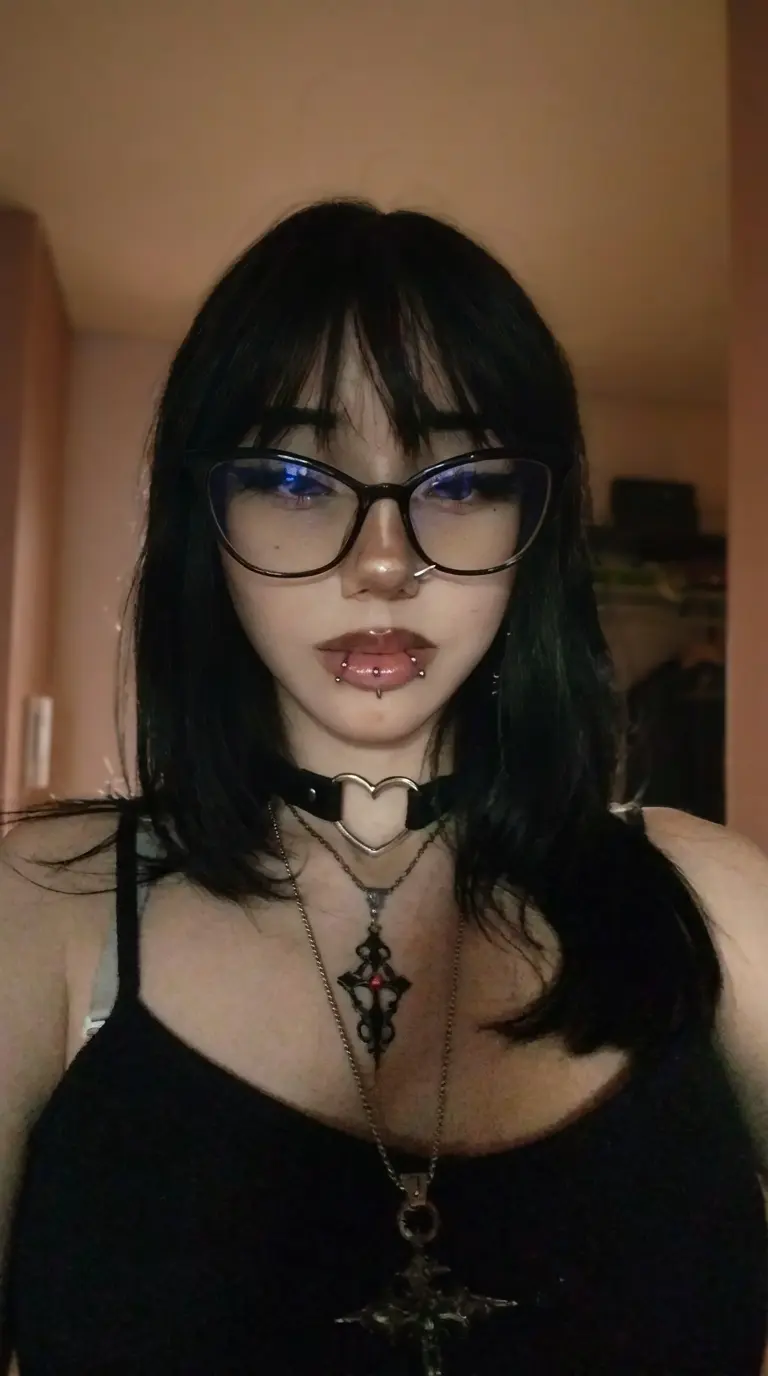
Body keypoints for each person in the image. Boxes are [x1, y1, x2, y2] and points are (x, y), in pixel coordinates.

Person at [1, 199, 767, 1376]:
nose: (383, 562)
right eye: (294, 475)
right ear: (203, 512)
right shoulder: (43, 911)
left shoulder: (713, 902)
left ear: (536, 521)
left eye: (460, 481)